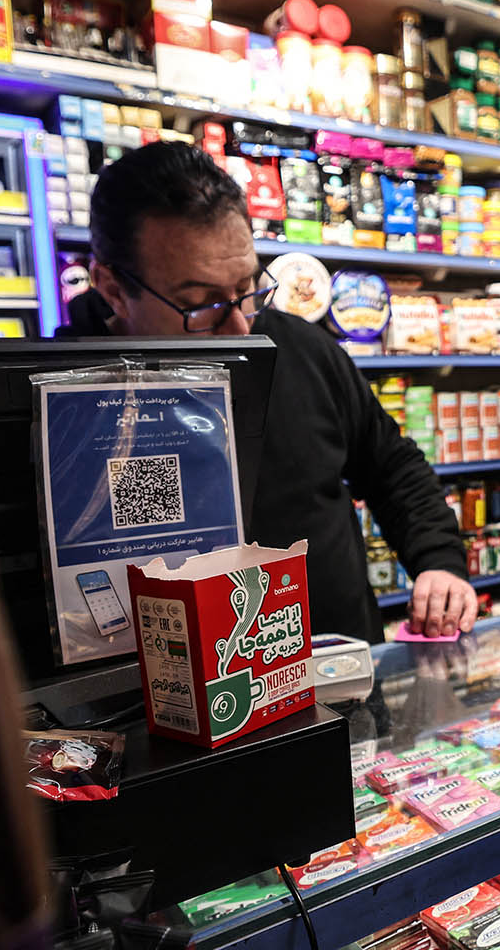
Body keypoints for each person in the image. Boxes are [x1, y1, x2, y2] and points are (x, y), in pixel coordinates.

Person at [61, 141, 476, 644]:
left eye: (246, 290)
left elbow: (391, 465)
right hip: (170, 683)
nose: (240, 330)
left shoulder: (302, 347)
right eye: (201, 304)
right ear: (112, 289)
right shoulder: (64, 399)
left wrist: (438, 561)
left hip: (338, 667)